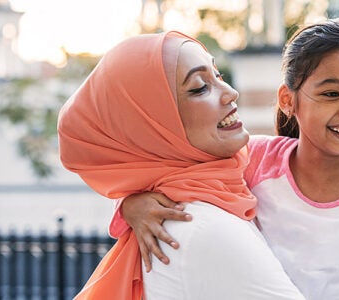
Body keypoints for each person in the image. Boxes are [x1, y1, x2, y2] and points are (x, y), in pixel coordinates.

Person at [119, 16, 339, 299]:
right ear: (287, 100)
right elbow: (167, 171)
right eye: (332, 94)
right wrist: (131, 204)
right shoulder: (254, 161)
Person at [57, 31, 305, 299]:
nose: (230, 93)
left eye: (218, 75)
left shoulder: (204, 194)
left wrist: (130, 202)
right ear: (153, 126)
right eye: (200, 87)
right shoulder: (201, 228)